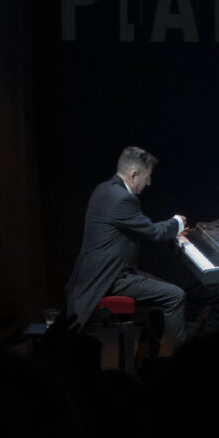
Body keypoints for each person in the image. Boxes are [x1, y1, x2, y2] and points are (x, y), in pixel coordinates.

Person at [65, 146, 188, 349]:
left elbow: (143, 227)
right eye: (147, 176)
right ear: (133, 174)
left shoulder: (104, 189)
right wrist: (177, 222)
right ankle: (183, 358)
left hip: (98, 273)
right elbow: (154, 233)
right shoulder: (123, 199)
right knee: (175, 295)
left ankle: (146, 358)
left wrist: (170, 229)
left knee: (163, 294)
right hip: (110, 278)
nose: (149, 182)